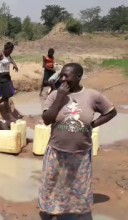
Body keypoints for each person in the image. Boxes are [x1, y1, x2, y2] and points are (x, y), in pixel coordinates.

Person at [39, 63, 117, 220]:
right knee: (52, 183)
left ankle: (71, 211)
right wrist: (60, 97)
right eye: (61, 75)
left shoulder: (91, 96)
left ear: (79, 76)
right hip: (56, 150)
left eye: (67, 76)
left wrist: (93, 125)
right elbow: (47, 120)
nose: (63, 79)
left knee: (77, 186)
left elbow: (111, 111)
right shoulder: (54, 95)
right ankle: (51, 209)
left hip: (80, 153)